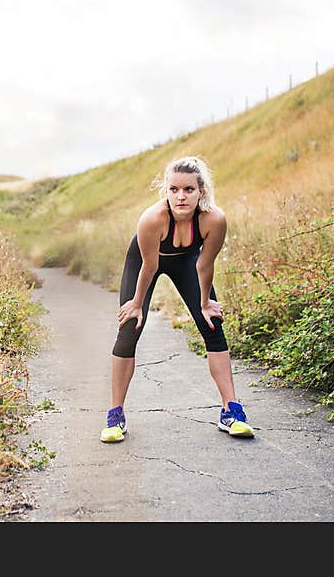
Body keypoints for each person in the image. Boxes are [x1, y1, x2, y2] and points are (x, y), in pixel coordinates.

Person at [100, 156, 253, 442]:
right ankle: (115, 415)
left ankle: (231, 411)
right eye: (173, 189)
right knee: (128, 329)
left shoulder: (214, 220)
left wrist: (206, 303)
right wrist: (136, 304)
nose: (180, 196)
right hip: (146, 262)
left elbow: (205, 265)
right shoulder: (152, 219)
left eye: (188, 190)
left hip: (188, 263)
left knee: (213, 325)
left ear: (201, 192)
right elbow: (149, 266)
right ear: (166, 191)